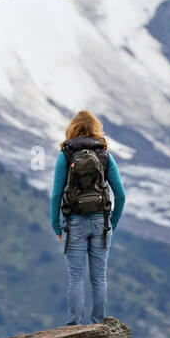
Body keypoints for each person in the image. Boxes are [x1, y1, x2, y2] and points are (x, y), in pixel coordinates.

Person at [49, 109, 125, 326]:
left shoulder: (65, 155)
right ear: (95, 128)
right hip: (101, 223)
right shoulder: (105, 155)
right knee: (99, 278)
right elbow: (120, 194)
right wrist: (112, 222)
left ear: (72, 129)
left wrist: (57, 226)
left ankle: (74, 325)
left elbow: (56, 194)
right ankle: (98, 325)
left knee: (76, 277)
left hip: (74, 224)